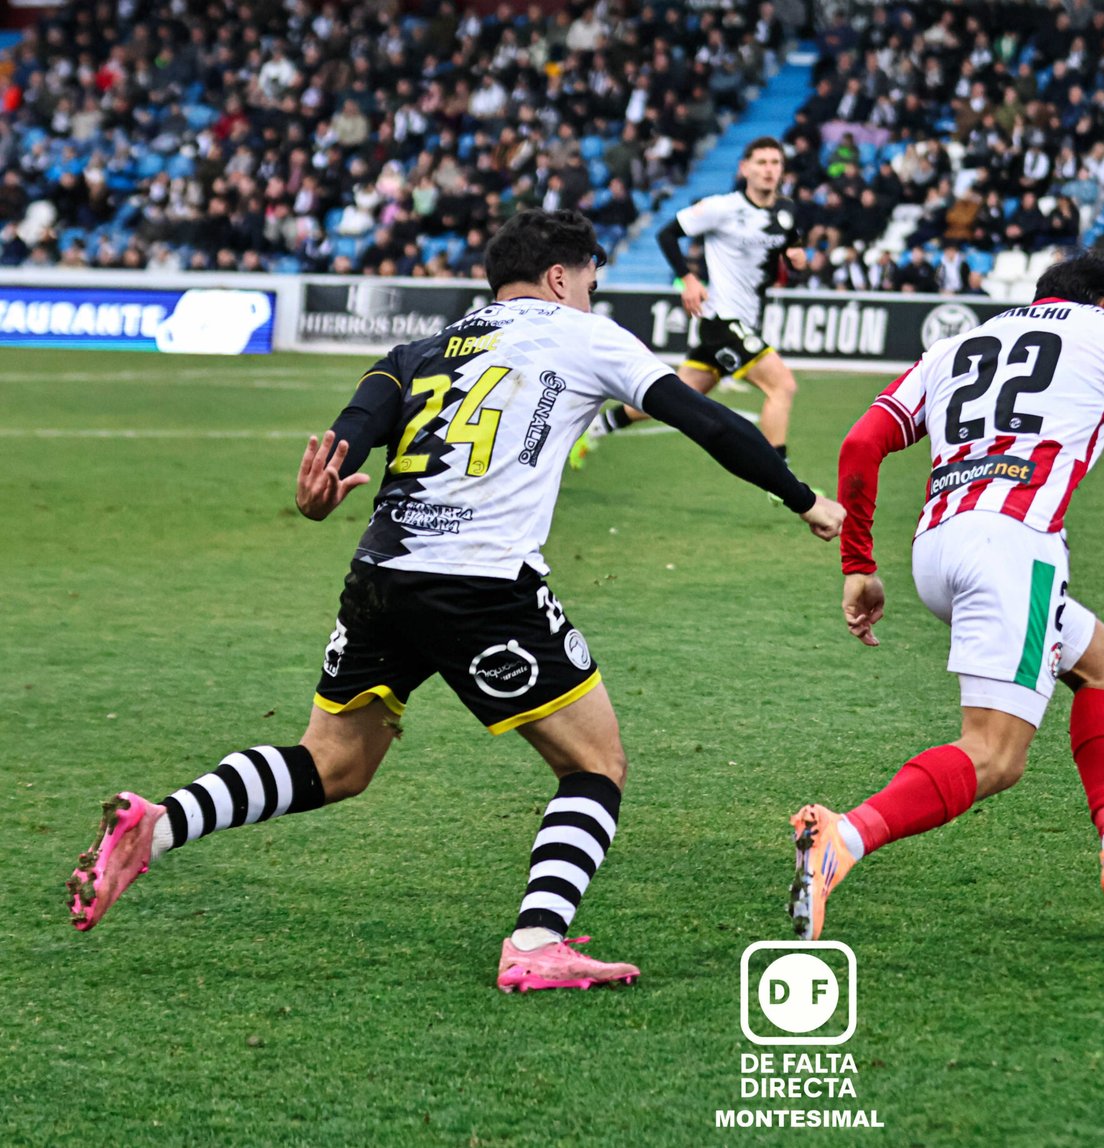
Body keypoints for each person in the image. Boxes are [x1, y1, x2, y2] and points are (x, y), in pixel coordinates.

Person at [66, 210, 846, 991]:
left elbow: (351, 433)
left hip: (380, 574)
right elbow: (705, 419)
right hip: (479, 583)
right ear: (560, 277)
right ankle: (538, 940)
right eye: (591, 283)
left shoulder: (421, 349)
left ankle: (159, 825)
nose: (590, 296)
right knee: (595, 765)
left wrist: (316, 497)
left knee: (333, 763)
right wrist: (800, 495)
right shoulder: (584, 333)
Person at [787, 253, 1104, 940]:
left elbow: (863, 441)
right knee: (994, 755)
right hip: (1013, 547)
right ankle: (845, 838)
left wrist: (858, 563)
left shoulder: (954, 345)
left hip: (939, 547)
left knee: (1103, 661)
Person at [573, 137, 806, 476]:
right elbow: (666, 234)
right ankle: (781, 479)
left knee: (673, 400)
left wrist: (797, 257)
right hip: (722, 320)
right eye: (761, 163)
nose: (769, 170)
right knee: (782, 386)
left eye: (775, 163)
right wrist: (688, 279)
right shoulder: (722, 208)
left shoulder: (785, 210)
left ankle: (599, 425)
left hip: (746, 321)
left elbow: (791, 244)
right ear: (745, 169)